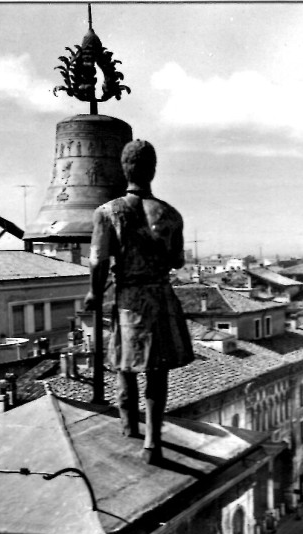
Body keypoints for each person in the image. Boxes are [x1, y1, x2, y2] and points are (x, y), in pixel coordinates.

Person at [87, 140, 194, 464]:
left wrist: (94, 292)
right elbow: (177, 260)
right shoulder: (171, 214)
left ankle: (128, 426)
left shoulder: (107, 213)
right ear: (153, 170)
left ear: (124, 169)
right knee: (157, 371)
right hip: (161, 297)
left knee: (125, 364)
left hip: (130, 298)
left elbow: (97, 261)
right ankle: (152, 441)